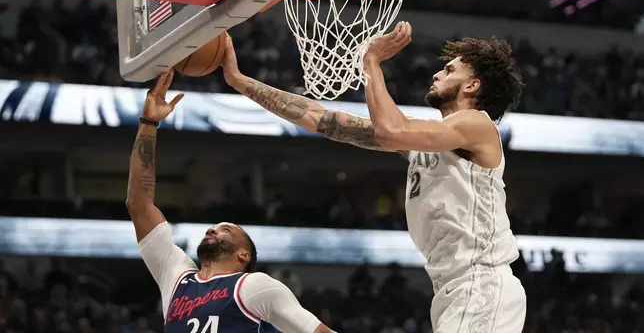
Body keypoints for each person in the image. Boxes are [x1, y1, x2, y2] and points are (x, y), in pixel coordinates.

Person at [221, 22, 526, 333]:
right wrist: (240, 81)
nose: (437, 75)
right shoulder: (430, 141)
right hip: (454, 288)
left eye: (449, 70)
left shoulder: (477, 124)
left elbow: (390, 130)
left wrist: (371, 62)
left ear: (472, 85)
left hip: (481, 281)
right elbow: (321, 119)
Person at [126, 69, 334, 333]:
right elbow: (139, 205)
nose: (212, 229)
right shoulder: (176, 276)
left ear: (243, 255)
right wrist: (148, 123)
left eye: (226, 229)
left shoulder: (255, 286)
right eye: (215, 227)